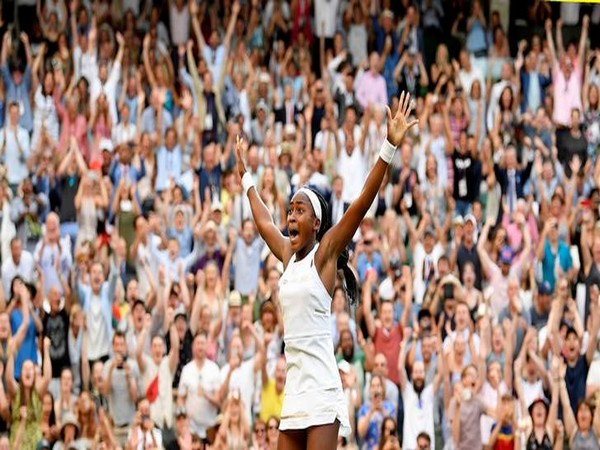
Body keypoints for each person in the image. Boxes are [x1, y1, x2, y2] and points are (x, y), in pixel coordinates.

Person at [234, 91, 417, 449]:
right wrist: (245, 178)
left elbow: (362, 201)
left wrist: (389, 147)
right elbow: (263, 221)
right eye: (289, 210)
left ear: (317, 222)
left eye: (299, 211)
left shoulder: (326, 253)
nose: (290, 216)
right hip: (295, 386)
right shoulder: (287, 254)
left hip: (321, 386)